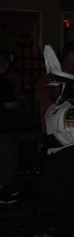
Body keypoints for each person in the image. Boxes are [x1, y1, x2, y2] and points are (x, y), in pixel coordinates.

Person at [39, 46, 74, 237]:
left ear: (64, 87)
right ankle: (64, 221)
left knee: (63, 193)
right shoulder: (54, 107)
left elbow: (72, 136)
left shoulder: (72, 109)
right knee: (50, 190)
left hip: (68, 154)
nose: (51, 89)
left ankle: (65, 230)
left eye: (55, 86)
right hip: (56, 154)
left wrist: (46, 143)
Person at [35, 42, 74, 196]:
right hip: (61, 129)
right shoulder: (54, 75)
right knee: (59, 172)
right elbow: (42, 95)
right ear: (70, 55)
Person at [0, 50, 25, 204]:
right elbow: (9, 104)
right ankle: (3, 191)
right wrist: (20, 101)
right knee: (6, 159)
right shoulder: (3, 83)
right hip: (4, 127)